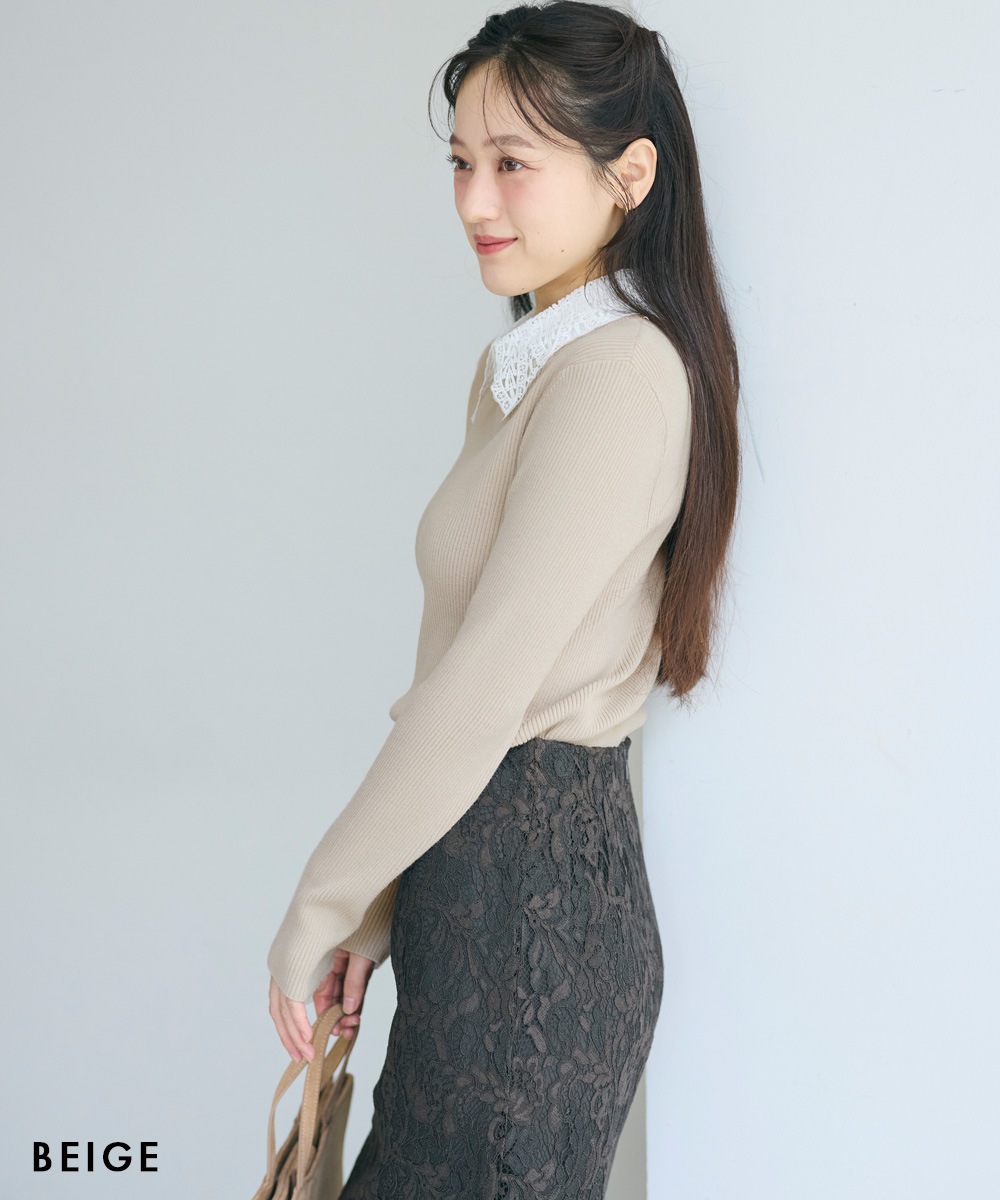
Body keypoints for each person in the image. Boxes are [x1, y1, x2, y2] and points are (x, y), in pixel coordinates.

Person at [266, 2, 741, 1195]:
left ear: (629, 175)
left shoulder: (618, 377)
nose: (475, 201)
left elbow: (481, 691)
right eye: (460, 163)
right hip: (478, 885)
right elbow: (457, 670)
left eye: (513, 164)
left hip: (531, 903)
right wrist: (379, 906)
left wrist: (321, 901)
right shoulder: (524, 367)